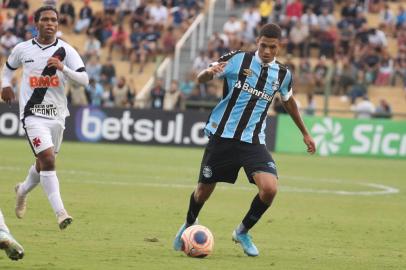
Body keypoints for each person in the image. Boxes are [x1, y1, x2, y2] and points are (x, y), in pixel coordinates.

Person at [173, 23, 316, 257]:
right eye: (263, 46)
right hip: (223, 136)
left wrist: (305, 132)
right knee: (202, 192)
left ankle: (242, 231)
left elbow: (288, 101)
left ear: (279, 47)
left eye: (272, 47)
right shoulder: (238, 59)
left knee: (269, 189)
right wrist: (208, 73)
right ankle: (188, 224)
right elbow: (202, 78)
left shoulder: (283, 74)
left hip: (253, 141)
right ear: (257, 42)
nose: (267, 51)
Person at [0, 6, 89, 230]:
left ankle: (21, 190)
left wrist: (63, 69)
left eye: (54, 20)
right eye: (46, 20)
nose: (50, 23)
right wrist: (5, 85)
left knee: (42, 164)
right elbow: (8, 69)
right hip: (32, 114)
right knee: (49, 160)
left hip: (57, 115)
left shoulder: (66, 51)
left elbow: (84, 80)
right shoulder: (22, 49)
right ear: (36, 23)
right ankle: (61, 213)